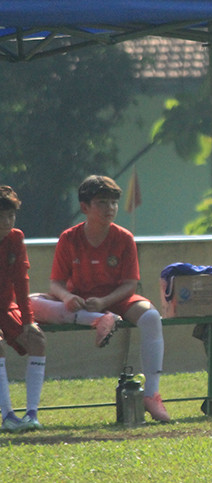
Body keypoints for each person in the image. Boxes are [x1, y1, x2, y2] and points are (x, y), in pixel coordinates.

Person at [30, 176, 170, 422]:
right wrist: (67, 296)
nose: (111, 209)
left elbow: (129, 284)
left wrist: (105, 302)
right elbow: (56, 283)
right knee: (30, 302)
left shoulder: (124, 238)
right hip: (81, 303)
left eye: (114, 203)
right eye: (102, 203)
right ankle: (98, 320)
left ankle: (151, 395)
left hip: (114, 300)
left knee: (151, 317)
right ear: (85, 207)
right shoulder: (69, 238)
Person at [0, 186, 46, 432]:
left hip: (6, 308)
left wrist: (29, 321)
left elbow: (21, 281)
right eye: (2, 216)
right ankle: (7, 416)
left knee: (37, 340)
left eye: (11, 216)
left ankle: (31, 415)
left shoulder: (16, 238)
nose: (7, 222)